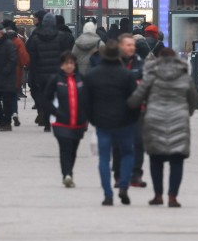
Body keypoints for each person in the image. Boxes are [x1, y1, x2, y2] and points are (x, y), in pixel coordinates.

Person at [128, 46, 197, 207]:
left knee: (156, 159)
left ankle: (158, 195)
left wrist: (129, 105)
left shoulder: (151, 74)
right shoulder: (184, 75)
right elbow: (193, 99)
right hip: (179, 119)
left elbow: (139, 95)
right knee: (177, 160)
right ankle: (172, 197)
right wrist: (187, 112)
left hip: (154, 119)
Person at [80, 41, 140, 206]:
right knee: (128, 153)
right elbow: (135, 98)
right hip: (125, 122)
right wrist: (133, 117)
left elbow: (85, 101)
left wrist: (93, 118)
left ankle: (108, 194)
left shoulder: (93, 75)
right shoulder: (127, 75)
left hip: (102, 122)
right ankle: (123, 185)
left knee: (104, 158)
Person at [48, 53, 88, 187]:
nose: (69, 65)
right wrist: (56, 112)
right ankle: (67, 174)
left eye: (72, 63)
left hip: (78, 121)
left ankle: (69, 173)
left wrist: (87, 115)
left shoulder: (81, 79)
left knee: (73, 149)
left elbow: (88, 99)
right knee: (65, 147)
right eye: (66, 63)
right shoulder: (55, 79)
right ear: (62, 65)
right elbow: (46, 99)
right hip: (61, 121)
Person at [116, 33, 147, 188]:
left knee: (138, 142)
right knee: (119, 143)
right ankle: (119, 174)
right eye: (128, 45)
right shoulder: (114, 64)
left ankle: (136, 174)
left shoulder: (140, 64)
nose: (131, 48)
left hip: (137, 110)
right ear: (120, 46)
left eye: (133, 45)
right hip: (117, 110)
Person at [28, 13, 68, 130]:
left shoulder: (35, 38)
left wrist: (33, 75)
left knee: (45, 98)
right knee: (58, 97)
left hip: (41, 74)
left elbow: (33, 59)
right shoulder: (60, 37)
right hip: (56, 73)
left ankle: (46, 122)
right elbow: (64, 56)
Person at [0, 23, 22, 131]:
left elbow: (13, 59)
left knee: (7, 101)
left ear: (0, 34)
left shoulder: (8, 44)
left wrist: (5, 71)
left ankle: (7, 122)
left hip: (7, 78)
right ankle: (0, 120)